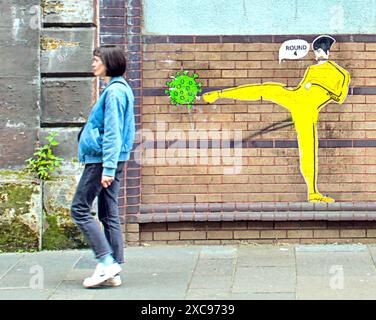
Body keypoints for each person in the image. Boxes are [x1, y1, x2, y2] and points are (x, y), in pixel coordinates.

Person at [203, 35, 350, 203]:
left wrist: (317, 87)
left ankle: (313, 193)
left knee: (308, 148)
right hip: (298, 99)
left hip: (306, 107)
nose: (317, 54)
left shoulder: (341, 74)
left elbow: (338, 96)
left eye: (318, 50)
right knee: (267, 90)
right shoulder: (315, 70)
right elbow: (332, 95)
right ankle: (219, 94)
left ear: (322, 51)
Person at [71, 45, 135, 288]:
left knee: (79, 209)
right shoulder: (118, 89)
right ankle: (114, 268)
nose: (93, 64)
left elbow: (113, 133)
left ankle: (107, 262)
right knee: (108, 212)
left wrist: (107, 168)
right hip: (111, 159)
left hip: (101, 161)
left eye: (96, 60)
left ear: (108, 63)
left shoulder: (115, 93)